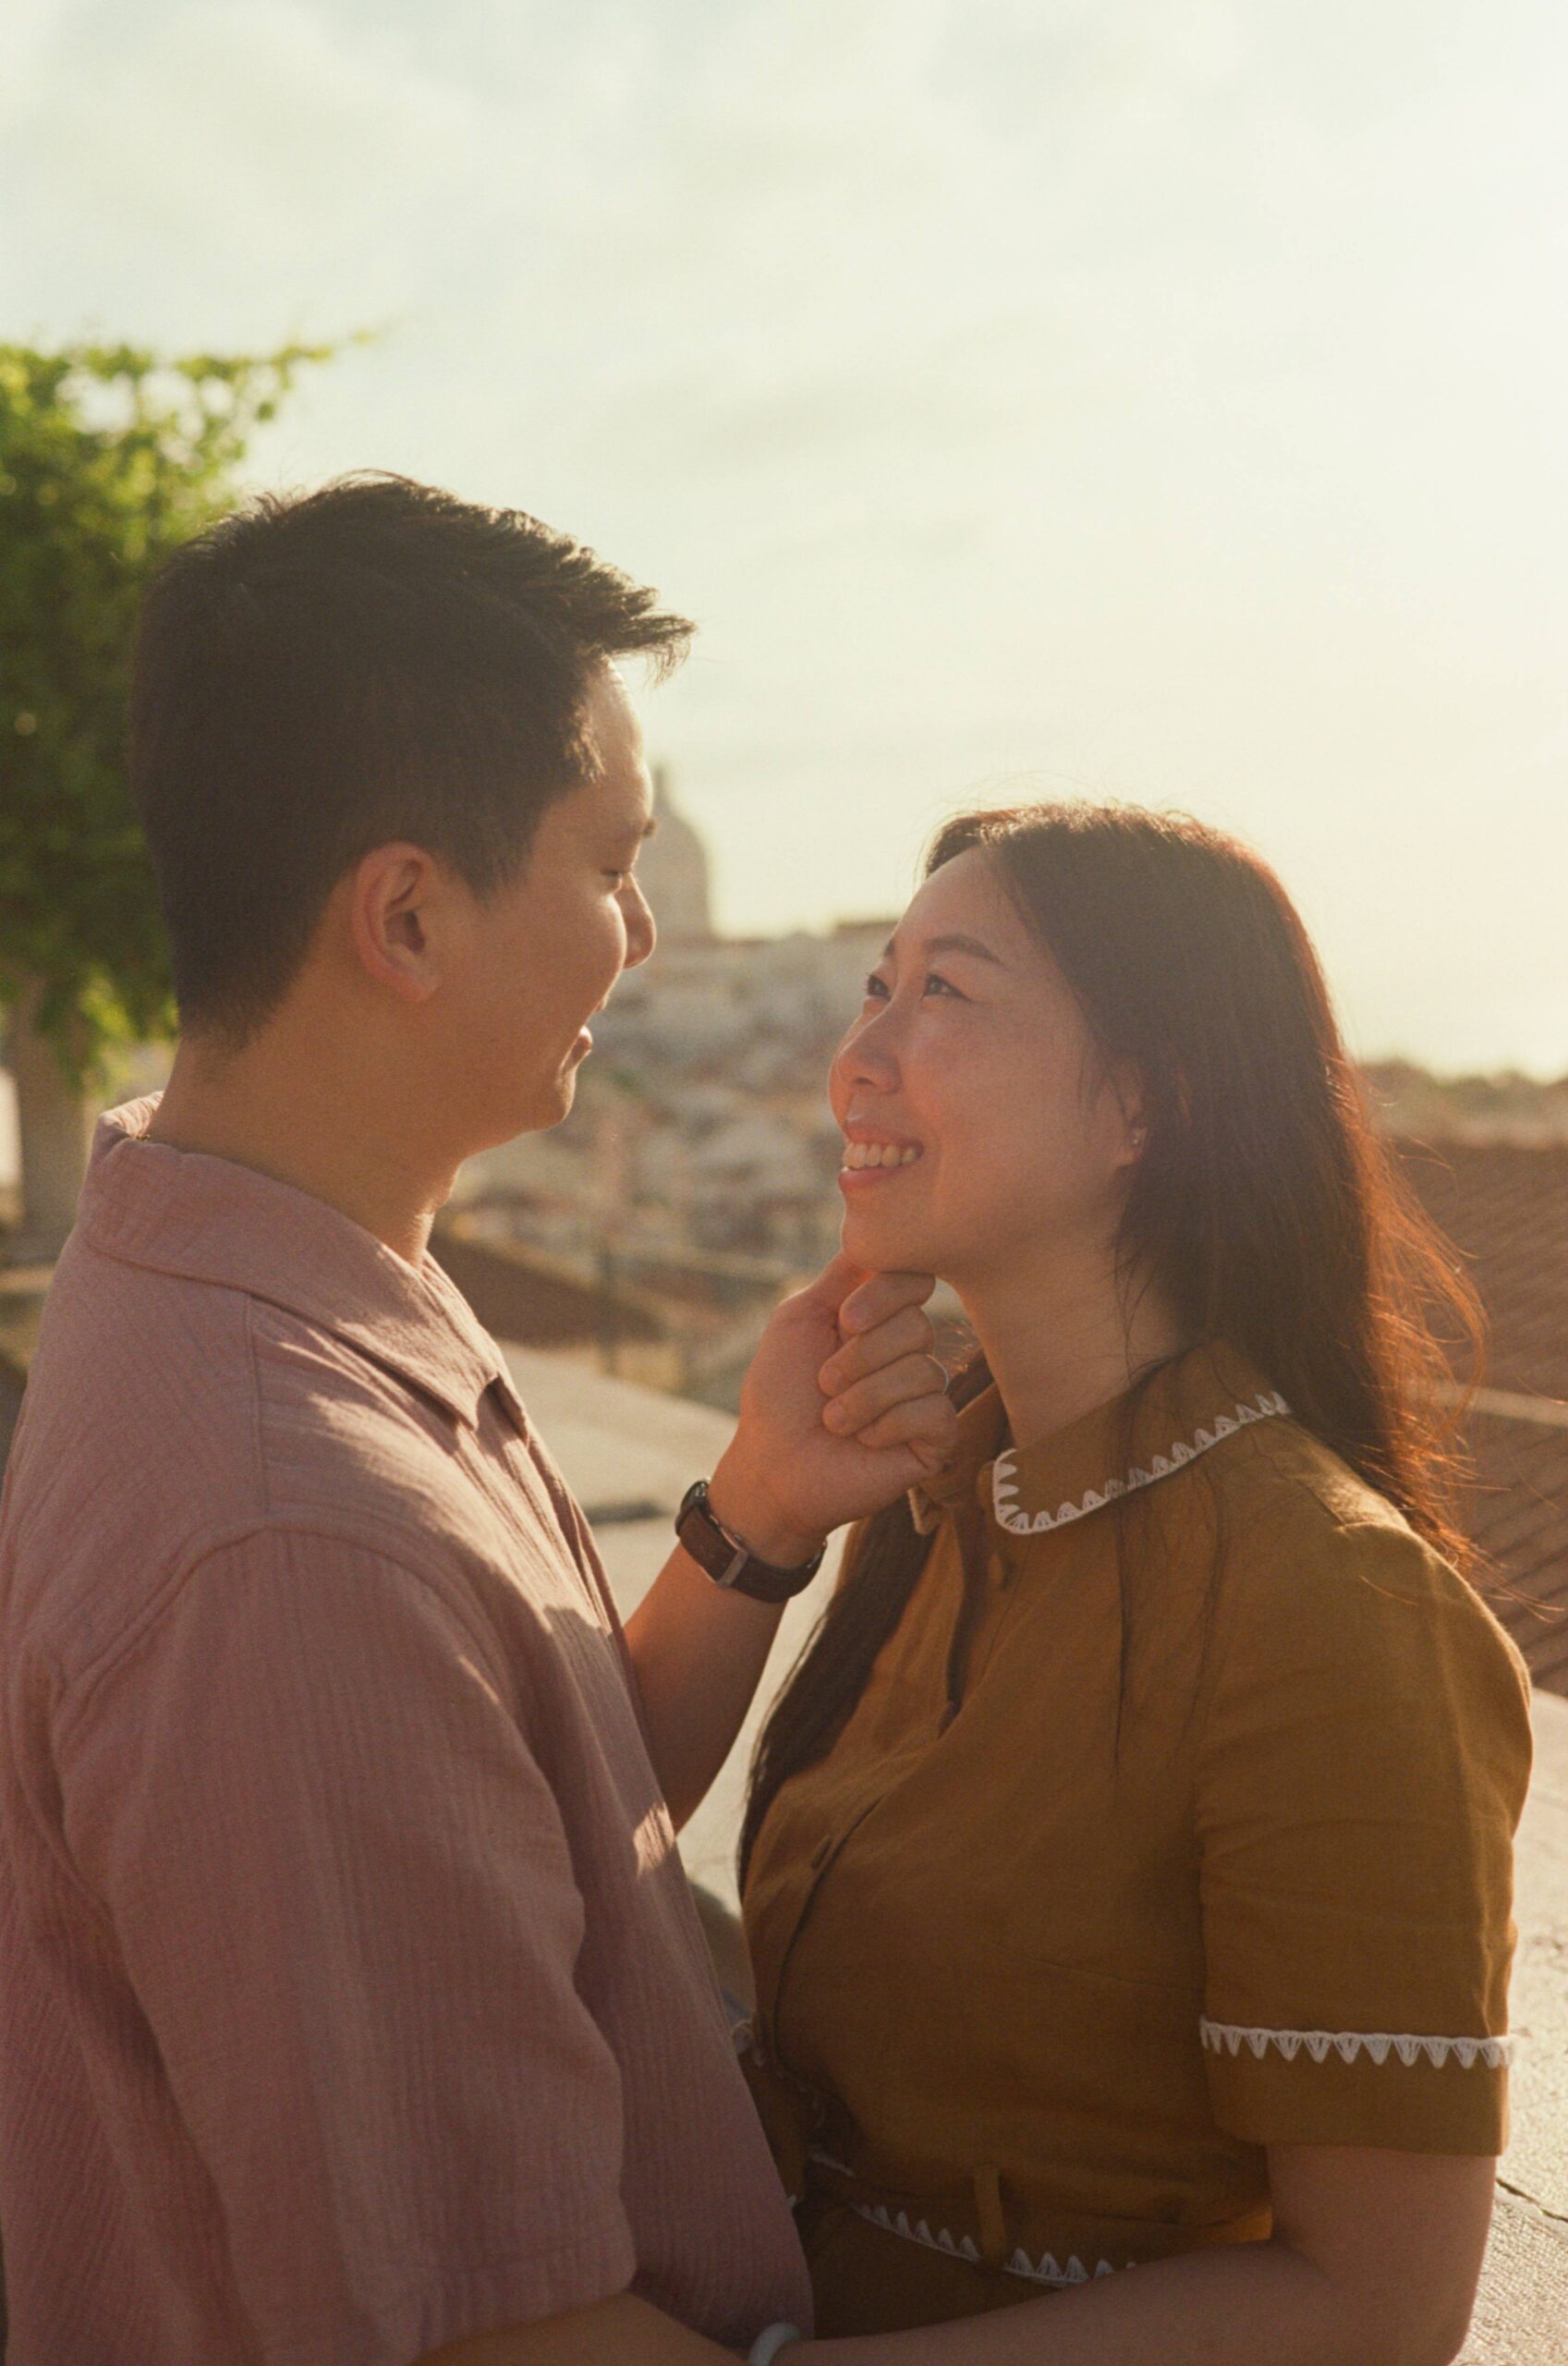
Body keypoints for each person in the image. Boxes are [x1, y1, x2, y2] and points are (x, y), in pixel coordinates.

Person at [0, 476, 956, 2366]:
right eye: (611, 865)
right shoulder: (287, 1531)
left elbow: (514, 1830)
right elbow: (493, 2336)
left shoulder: (261, 1255)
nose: (642, 934)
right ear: (409, 916)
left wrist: (755, 1515)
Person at [733, 803, 1534, 2365]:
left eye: (943, 993)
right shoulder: (942, 1510)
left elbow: (1376, 2306)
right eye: (874, 989)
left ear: (1140, 1104)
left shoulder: (1330, 1607)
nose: (857, 1061)